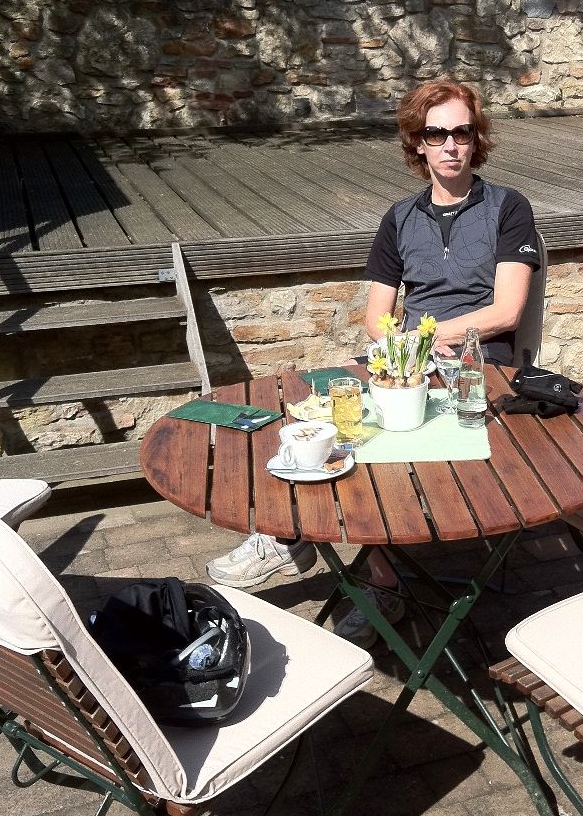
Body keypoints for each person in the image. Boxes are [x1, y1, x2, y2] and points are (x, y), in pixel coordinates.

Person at [206, 79, 540, 645]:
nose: (450, 145)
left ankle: (370, 577)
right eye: (436, 134)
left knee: (381, 440)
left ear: (476, 139)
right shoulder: (400, 217)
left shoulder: (507, 207)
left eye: (461, 133)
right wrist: (406, 351)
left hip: (476, 363)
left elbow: (506, 311)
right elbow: (375, 317)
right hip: (408, 359)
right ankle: (294, 537)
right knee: (323, 417)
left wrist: (425, 339)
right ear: (418, 144)